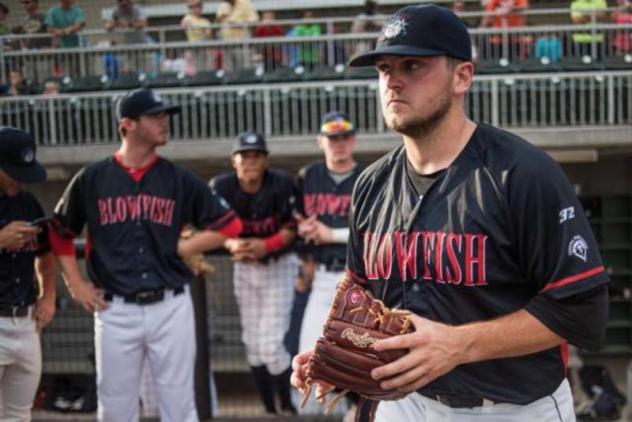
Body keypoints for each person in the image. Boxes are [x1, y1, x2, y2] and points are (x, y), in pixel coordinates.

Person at [292, 5, 609, 421]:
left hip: (512, 408)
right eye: (384, 68)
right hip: (404, 404)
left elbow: (583, 310)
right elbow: (363, 291)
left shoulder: (523, 173)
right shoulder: (371, 184)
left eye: (413, 65)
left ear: (462, 76)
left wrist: (458, 344)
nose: (393, 81)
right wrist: (343, 352)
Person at [50, 88, 243, 422]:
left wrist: (186, 247)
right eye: (155, 116)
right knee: (115, 406)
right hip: (114, 308)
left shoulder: (178, 178)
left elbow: (231, 224)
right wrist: (75, 284)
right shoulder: (92, 178)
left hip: (170, 305)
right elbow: (58, 232)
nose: (164, 122)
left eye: (164, 115)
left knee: (180, 405)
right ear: (127, 124)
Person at [210, 132, 298, 416]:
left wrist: (266, 245)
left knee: (271, 345)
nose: (250, 161)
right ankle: (269, 410)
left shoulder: (281, 183)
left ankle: (286, 406)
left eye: (256, 155)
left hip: (279, 265)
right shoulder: (221, 186)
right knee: (252, 344)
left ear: (265, 160)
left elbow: (293, 228)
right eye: (244, 156)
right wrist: (229, 243)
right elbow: (211, 227)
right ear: (233, 161)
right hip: (244, 268)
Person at [294, 111, 364, 416]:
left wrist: (330, 233)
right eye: (332, 138)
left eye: (344, 137)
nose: (339, 143)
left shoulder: (367, 177)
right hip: (322, 277)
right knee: (310, 351)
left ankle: (356, 410)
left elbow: (375, 232)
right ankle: (323, 412)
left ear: (354, 139)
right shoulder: (308, 176)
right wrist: (303, 231)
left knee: (358, 354)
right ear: (320, 141)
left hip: (358, 281)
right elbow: (295, 220)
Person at [0, 126, 56, 421]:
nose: (19, 178)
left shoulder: (28, 202)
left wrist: (49, 295)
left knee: (19, 414)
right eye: (12, 170)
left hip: (26, 320)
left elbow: (45, 254)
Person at [216, 0, 259, 70]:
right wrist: (220, 19)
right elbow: (218, 23)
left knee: (244, 70)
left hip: (242, 45)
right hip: (226, 44)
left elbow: (254, 20)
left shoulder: (245, 3)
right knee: (228, 72)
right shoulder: (222, 5)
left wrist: (239, 24)